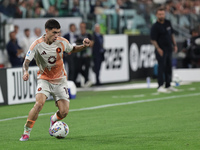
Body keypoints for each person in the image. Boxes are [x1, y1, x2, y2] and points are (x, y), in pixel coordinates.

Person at [19, 19, 91, 141]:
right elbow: (26, 62)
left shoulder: (62, 42)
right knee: (39, 104)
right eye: (54, 32)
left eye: (58, 32)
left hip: (60, 80)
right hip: (44, 79)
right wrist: (25, 72)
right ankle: (26, 132)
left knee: (64, 112)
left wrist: (84, 46)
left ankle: (53, 119)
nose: (56, 35)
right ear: (46, 31)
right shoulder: (36, 44)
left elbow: (72, 49)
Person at [150, 7, 178, 93]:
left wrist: (175, 44)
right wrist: (158, 48)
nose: (161, 16)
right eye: (159, 14)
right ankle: (160, 85)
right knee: (161, 67)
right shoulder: (155, 27)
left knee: (169, 67)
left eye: (162, 14)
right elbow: (153, 39)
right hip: (161, 49)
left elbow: (171, 35)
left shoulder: (168, 23)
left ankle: (168, 84)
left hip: (169, 48)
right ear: (156, 15)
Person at [75, 22, 93, 87]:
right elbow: (76, 44)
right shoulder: (78, 35)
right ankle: (87, 79)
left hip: (87, 54)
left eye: (83, 27)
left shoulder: (88, 34)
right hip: (80, 54)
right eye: (81, 27)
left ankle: (86, 82)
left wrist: (86, 43)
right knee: (78, 68)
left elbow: (92, 44)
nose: (82, 28)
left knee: (87, 68)